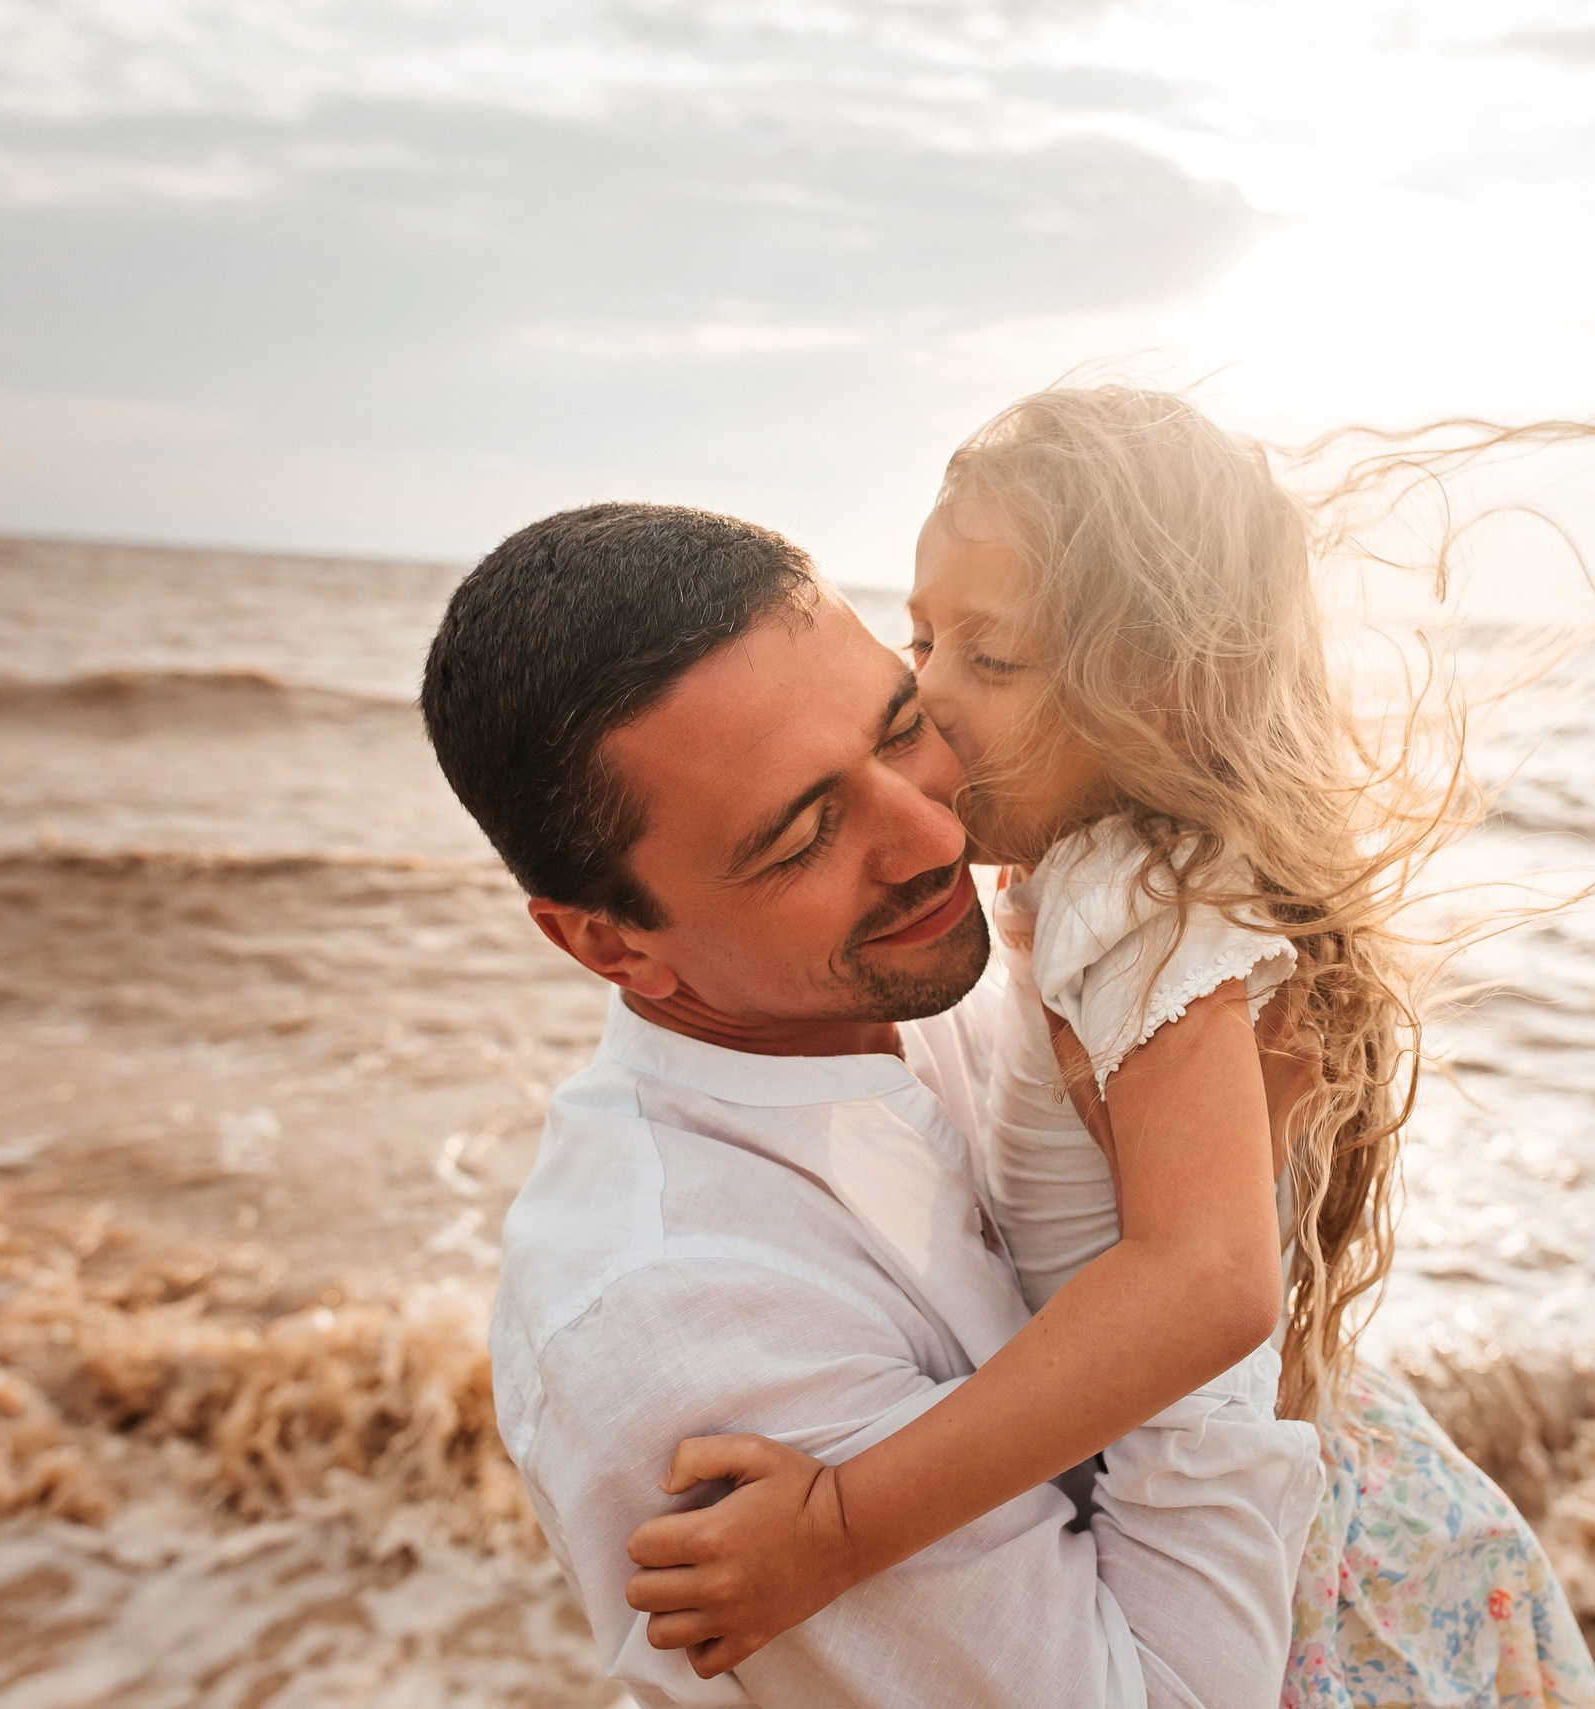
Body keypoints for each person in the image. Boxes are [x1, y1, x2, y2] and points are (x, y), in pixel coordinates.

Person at [635, 390, 1595, 1708]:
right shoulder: (1087, 877)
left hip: (1313, 1568)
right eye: (923, 640)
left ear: (1157, 691)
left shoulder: (1125, 886)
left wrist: (842, 1527)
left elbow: (1209, 1280)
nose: (926, 696)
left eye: (994, 656)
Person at [421, 501, 1326, 1709]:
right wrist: (1225, 1197)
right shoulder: (676, 1320)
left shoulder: (968, 961)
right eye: (803, 834)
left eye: (902, 728)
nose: (930, 830)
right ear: (612, 944)